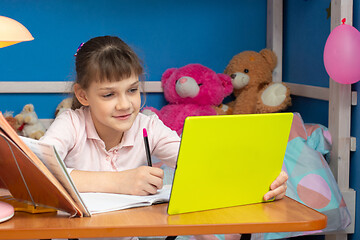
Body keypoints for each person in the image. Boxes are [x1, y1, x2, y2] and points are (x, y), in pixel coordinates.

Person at [40, 36, 288, 240]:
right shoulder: (70, 123)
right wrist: (119, 182)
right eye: (109, 95)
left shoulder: (147, 126)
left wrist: (263, 178)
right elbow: (37, 172)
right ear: (83, 96)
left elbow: (204, 160)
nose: (125, 104)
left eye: (133, 90)